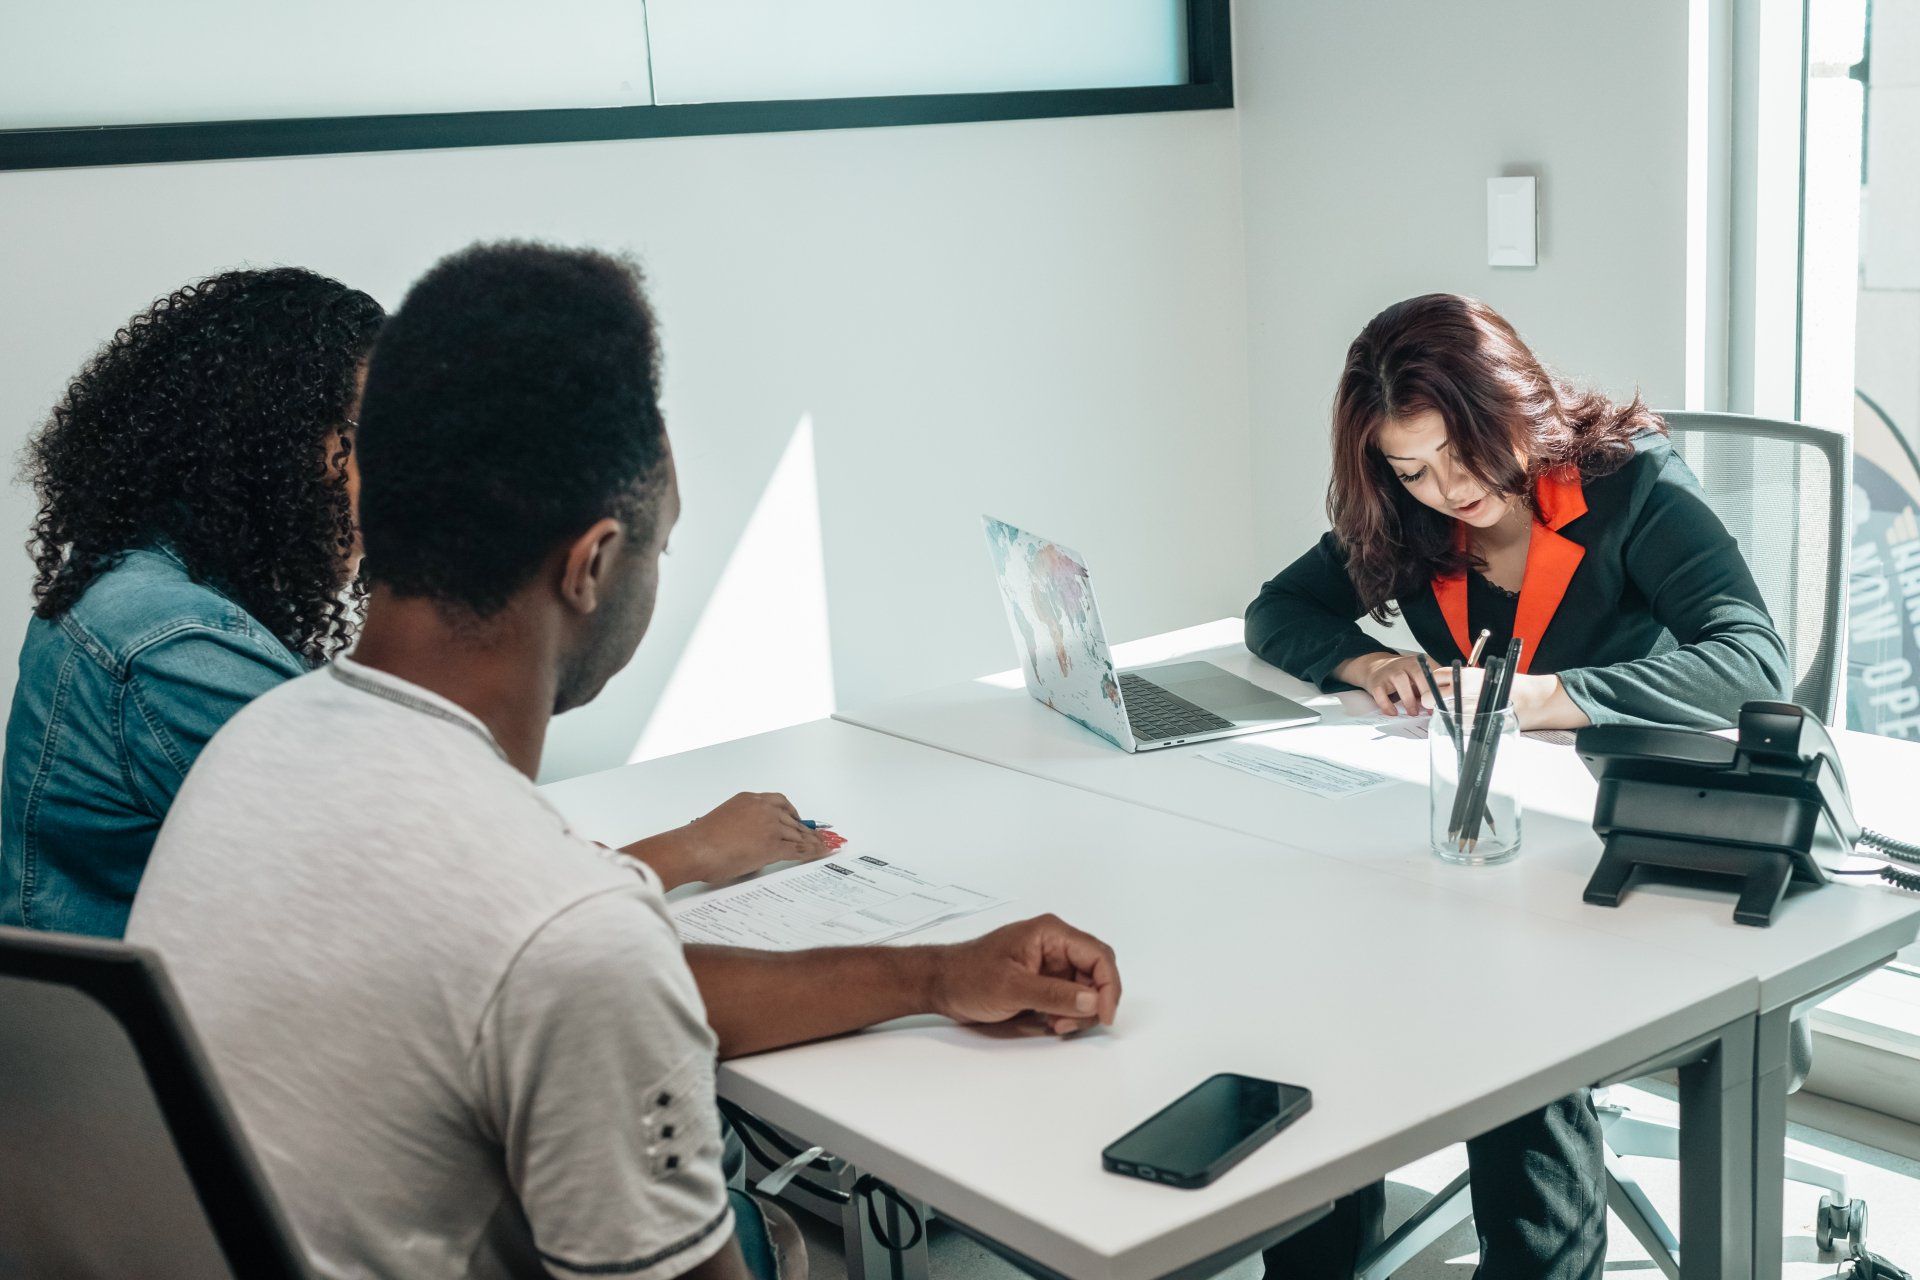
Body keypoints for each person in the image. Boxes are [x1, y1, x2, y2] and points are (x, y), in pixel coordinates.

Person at [125, 242, 1121, 1280]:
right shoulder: (562, 932)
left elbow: (549, 975)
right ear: (593, 563)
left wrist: (931, 972)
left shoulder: (255, 751)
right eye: (662, 545)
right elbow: (578, 961)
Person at [2, 268, 825, 939]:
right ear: (280, 449)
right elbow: (457, 908)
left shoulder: (142, 591)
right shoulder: (176, 646)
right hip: (175, 1110)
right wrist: (692, 850)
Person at [1246, 294, 1789, 1280]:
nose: (1446, 489)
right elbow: (1278, 608)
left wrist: (1554, 694)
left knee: (1507, 1022)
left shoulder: (1634, 490)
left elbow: (1752, 660)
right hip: (1477, 836)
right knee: (1315, 981)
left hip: (1615, 838)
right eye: (1411, 468)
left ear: (1514, 411)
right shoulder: (1407, 517)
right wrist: (1362, 663)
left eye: (1460, 453)